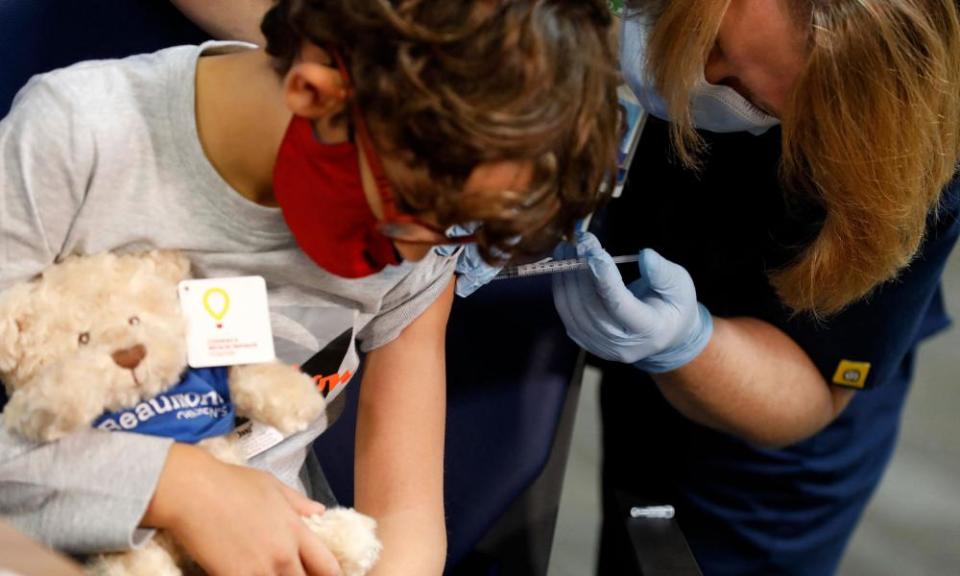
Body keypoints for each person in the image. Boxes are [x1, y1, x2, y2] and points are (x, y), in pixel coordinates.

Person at [0, 2, 620, 575]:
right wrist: (179, 486)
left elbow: (405, 522)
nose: (417, 255)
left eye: (456, 226)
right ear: (314, 93)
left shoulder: (424, 235)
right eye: (415, 213)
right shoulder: (78, 138)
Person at [550, 0, 960, 574]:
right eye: (711, 38)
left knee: (671, 550)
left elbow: (810, 386)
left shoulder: (902, 137)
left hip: (764, 377)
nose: (703, 74)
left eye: (749, 93)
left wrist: (685, 344)